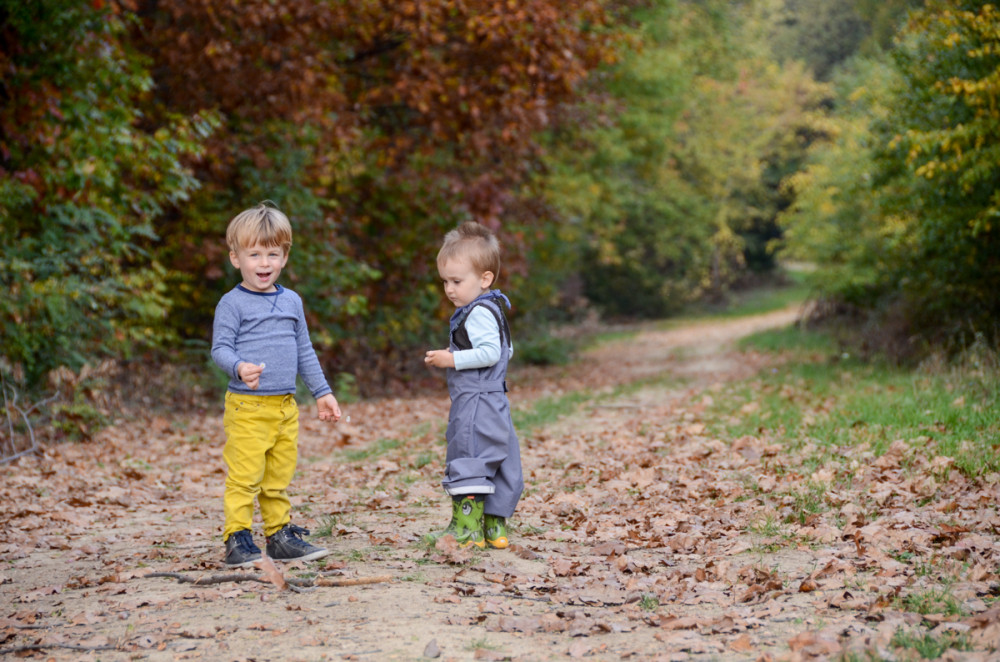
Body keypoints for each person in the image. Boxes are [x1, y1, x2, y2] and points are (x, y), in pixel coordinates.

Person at [211, 202, 342, 568]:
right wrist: (238, 366)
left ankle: (278, 536)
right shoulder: (232, 303)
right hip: (248, 407)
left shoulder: (291, 301)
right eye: (254, 254)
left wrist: (322, 392)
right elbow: (219, 348)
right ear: (236, 258)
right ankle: (237, 538)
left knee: (277, 476)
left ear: (284, 256)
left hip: (285, 406)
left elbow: (304, 350)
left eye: (273, 253)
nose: (264, 262)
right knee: (245, 476)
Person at [424, 221, 523, 549]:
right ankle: (495, 527)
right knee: (499, 455)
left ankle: (467, 530)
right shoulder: (493, 308)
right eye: (445, 282)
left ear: (485, 279)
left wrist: (451, 359)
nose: (449, 289)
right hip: (496, 400)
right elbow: (507, 350)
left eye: (456, 281)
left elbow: (490, 353)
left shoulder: (477, 312)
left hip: (476, 401)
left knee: (468, 453)